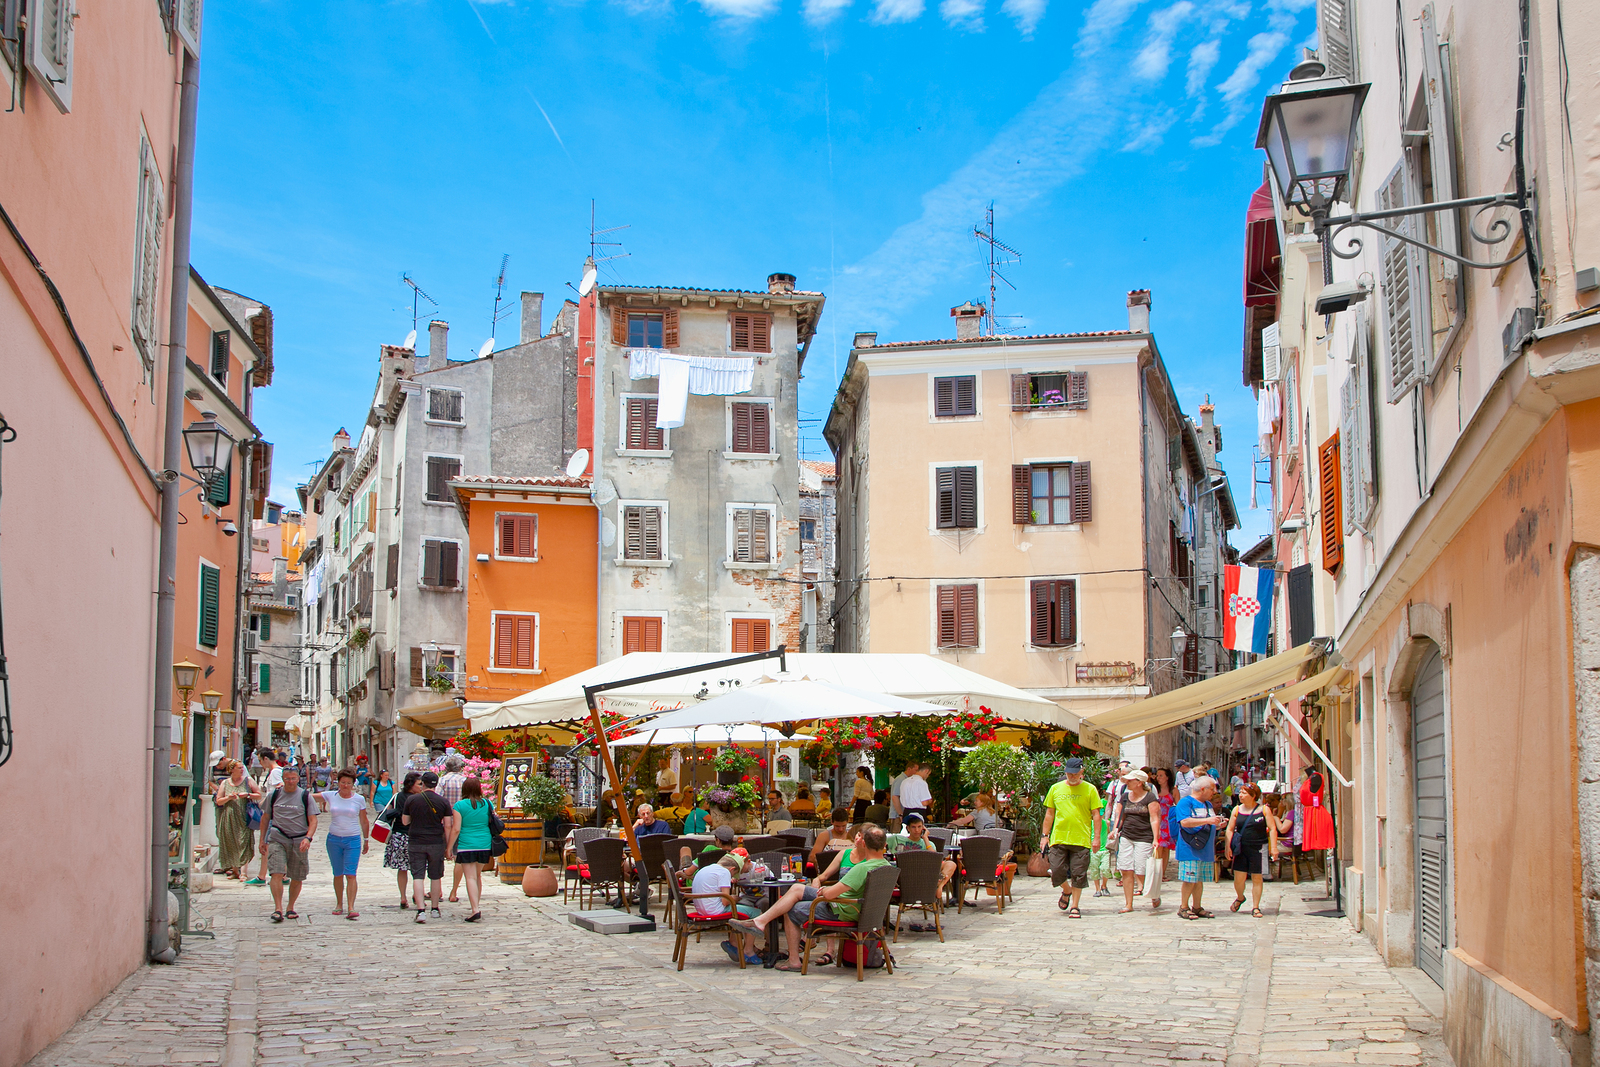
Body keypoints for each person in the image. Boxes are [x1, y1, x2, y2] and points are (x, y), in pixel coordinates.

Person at [1039, 757, 1103, 918]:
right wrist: (1044, 836)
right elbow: (1049, 814)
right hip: (1059, 837)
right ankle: (1066, 890)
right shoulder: (1055, 788)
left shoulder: (1090, 790)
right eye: (1069, 773)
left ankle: (1075, 905)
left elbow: (1096, 815)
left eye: (1075, 774)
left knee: (1078, 873)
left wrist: (1096, 838)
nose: (1072, 776)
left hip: (1081, 838)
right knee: (1056, 869)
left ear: (1082, 772)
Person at [259, 766, 318, 923]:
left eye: (293, 778)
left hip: (299, 841)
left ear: (298, 779)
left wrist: (308, 838)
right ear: (282, 779)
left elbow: (313, 820)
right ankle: (278, 908)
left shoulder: (305, 796)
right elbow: (265, 818)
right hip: (278, 838)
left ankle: (290, 907)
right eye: (287, 779)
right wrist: (262, 840)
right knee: (276, 872)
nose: (290, 782)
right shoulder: (274, 795)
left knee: (297, 876)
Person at [314, 768, 371, 919]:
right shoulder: (331, 796)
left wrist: (366, 839)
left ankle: (351, 906)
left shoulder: (358, 799)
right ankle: (339, 903)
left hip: (352, 839)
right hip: (334, 839)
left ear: (353, 784)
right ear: (337, 782)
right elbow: (311, 797)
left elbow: (364, 821)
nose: (345, 786)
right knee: (338, 873)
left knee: (351, 874)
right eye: (343, 782)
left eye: (348, 783)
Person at [402, 770, 458, 923]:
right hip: (436, 842)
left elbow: (405, 821)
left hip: (416, 841)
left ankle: (421, 910)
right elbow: (447, 826)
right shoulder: (443, 802)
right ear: (436, 784)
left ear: (423, 784)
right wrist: (448, 847)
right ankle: (434, 908)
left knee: (418, 876)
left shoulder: (412, 800)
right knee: (435, 876)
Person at [1174, 776, 1227, 920]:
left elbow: (1208, 823)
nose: (1214, 792)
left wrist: (1217, 824)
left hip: (1205, 847)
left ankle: (1197, 906)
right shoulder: (1185, 802)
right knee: (1190, 879)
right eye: (1212, 789)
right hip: (1189, 847)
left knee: (1199, 879)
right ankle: (1183, 907)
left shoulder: (1208, 805)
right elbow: (1185, 822)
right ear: (1203, 789)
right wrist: (1208, 820)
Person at [1109, 769, 1161, 913]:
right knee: (1126, 869)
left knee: (1141, 869)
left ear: (1139, 783)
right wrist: (1115, 830)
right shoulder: (1125, 797)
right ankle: (1128, 904)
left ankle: (1152, 892)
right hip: (1127, 836)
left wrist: (1156, 838)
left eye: (1130, 780)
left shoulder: (1150, 798)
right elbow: (1119, 816)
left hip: (1144, 837)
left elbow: (1154, 818)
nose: (1127, 782)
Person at [1225, 783, 1277, 918]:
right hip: (1241, 848)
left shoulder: (1264, 810)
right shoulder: (1236, 810)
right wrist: (1228, 846)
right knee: (1239, 879)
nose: (1240, 795)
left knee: (1257, 878)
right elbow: (1229, 829)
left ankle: (1256, 907)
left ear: (1253, 796)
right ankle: (1240, 897)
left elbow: (1272, 828)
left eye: (1244, 793)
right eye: (1240, 792)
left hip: (1259, 847)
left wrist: (1274, 848)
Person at [452, 777, 493, 922]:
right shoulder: (487, 803)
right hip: (484, 843)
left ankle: (475, 908)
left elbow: (456, 829)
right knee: (477, 876)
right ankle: (476, 903)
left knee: (470, 877)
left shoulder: (459, 806)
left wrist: (449, 847)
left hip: (466, 844)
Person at [213, 758, 261, 880]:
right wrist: (228, 798)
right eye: (239, 767)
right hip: (229, 817)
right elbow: (219, 801)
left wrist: (248, 795)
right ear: (232, 769)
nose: (242, 769)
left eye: (242, 767)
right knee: (231, 843)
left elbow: (259, 795)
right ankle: (235, 871)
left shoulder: (248, 781)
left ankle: (243, 872)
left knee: (243, 842)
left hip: (243, 816)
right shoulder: (225, 783)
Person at [382, 772, 422, 908]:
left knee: (402, 868)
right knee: (417, 868)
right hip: (413, 836)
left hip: (398, 835)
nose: (421, 786)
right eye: (419, 784)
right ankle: (417, 895)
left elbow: (389, 811)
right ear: (411, 785)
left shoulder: (397, 796)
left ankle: (403, 897)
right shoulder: (418, 799)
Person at [245, 748, 284, 886]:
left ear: (266, 759)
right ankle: (283, 875)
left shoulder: (275, 772)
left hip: (272, 813)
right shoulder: (276, 771)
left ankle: (262, 876)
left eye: (260, 760)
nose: (260, 763)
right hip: (275, 812)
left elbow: (280, 788)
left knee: (265, 844)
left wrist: (265, 802)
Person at [436, 756, 470, 903]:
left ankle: (437, 890)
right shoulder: (465, 781)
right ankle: (454, 891)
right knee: (458, 857)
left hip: (444, 822)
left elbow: (437, 800)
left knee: (439, 857)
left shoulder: (442, 780)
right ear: (460, 767)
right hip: (462, 822)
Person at [1151, 767, 1177, 901]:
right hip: (1157, 821)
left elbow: (1177, 805)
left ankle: (1162, 872)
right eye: (1157, 775)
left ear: (1167, 777)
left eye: (1161, 775)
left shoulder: (1173, 790)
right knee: (1158, 846)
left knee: (1166, 848)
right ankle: (1157, 872)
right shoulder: (1154, 790)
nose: (1158, 777)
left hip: (1168, 821)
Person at [809, 808, 855, 874]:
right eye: (837, 826)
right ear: (832, 822)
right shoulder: (824, 836)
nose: (841, 829)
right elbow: (812, 857)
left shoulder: (852, 835)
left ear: (848, 822)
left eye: (843, 826)